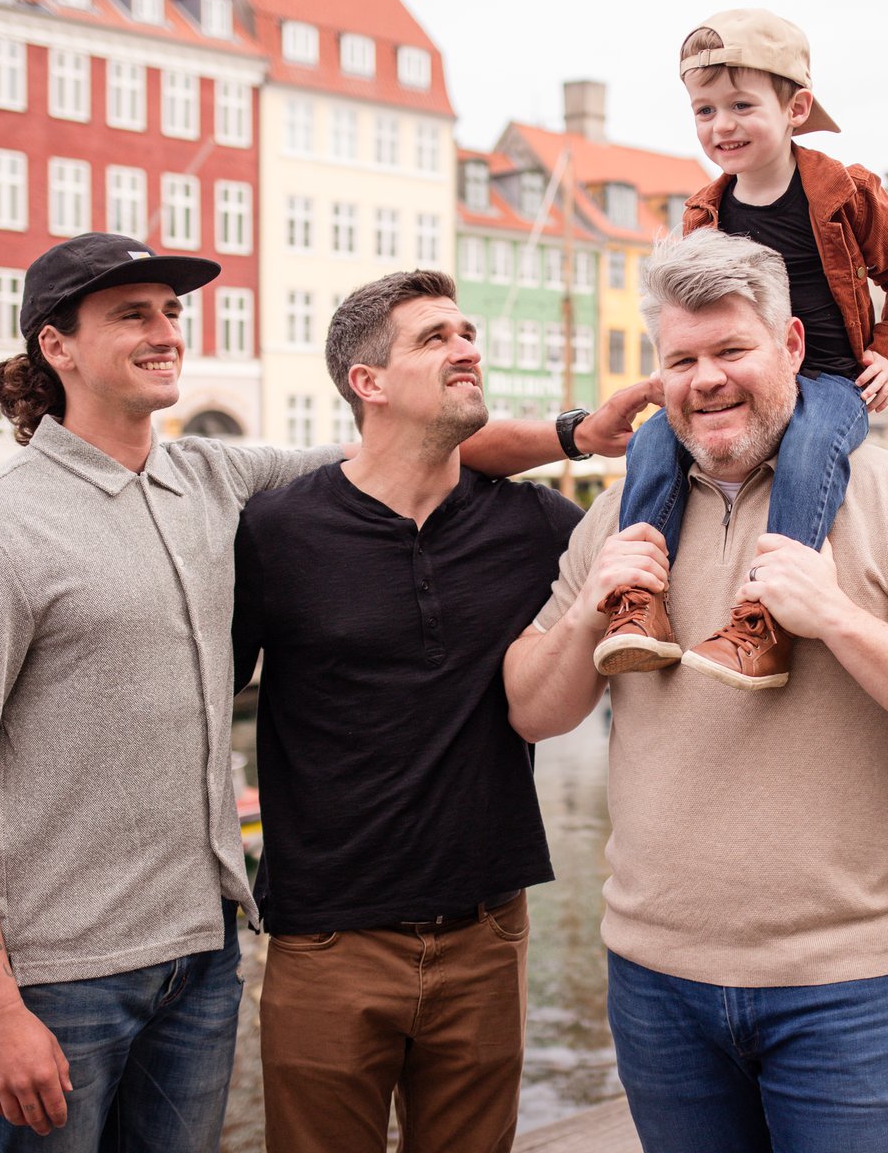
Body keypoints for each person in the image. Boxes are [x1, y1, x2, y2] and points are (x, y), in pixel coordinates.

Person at [0, 232, 644, 1152]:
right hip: (62, 965)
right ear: (57, 345)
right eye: (132, 315)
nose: (166, 330)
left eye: (171, 312)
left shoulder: (214, 479)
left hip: (202, 949)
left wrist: (578, 435)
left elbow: (409, 441)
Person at [505, 229, 888, 1152]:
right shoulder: (621, 514)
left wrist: (839, 620)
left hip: (841, 985)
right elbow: (532, 710)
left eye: (731, 350)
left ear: (792, 345)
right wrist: (590, 612)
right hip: (654, 978)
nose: (706, 380)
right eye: (682, 360)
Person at [232, 271, 578, 1153]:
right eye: (434, 338)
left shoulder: (538, 527)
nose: (466, 349)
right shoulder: (275, 532)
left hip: (487, 931)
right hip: (326, 938)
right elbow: (194, 703)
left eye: (467, 334)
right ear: (368, 382)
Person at [599, 9, 888, 693]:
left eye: (741, 106)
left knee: (811, 445)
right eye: (704, 110)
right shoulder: (705, 212)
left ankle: (766, 620)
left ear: (796, 109)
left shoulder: (844, 192)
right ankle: (639, 601)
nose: (721, 126)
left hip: (829, 378)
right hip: (742, 377)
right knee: (652, 441)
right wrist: (686, 370)